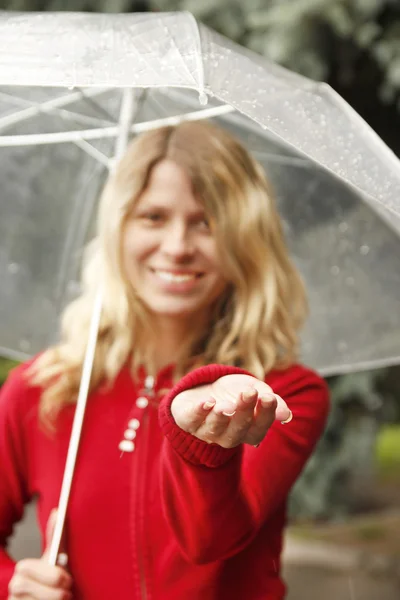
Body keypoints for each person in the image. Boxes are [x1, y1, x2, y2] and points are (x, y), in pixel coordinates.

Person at [0, 120, 329, 600]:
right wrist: (13, 584)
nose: (177, 247)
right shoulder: (42, 388)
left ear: (245, 238)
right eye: (153, 216)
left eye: (206, 221)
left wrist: (203, 442)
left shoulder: (280, 396)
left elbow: (208, 541)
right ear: (117, 228)